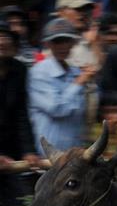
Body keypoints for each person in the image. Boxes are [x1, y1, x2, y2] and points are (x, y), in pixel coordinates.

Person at [28, 19, 93, 150]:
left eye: (66, 41)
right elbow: (56, 109)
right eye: (57, 42)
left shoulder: (76, 72)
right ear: (48, 44)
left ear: (73, 43)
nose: (62, 46)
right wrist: (78, 82)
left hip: (74, 152)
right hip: (47, 154)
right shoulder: (39, 72)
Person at [0, 26, 39, 206]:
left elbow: (21, 114)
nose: (2, 42)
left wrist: (28, 151)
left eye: (5, 37)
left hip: (11, 154)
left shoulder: (19, 70)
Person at [54, 0, 100, 68]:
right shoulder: (52, 42)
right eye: (77, 8)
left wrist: (94, 44)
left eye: (86, 9)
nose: (83, 13)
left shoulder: (97, 39)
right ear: (61, 13)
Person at [88, 91, 117, 157]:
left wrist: (116, 132)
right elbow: (96, 153)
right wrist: (107, 132)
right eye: (109, 112)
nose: (114, 116)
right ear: (101, 113)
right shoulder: (96, 129)